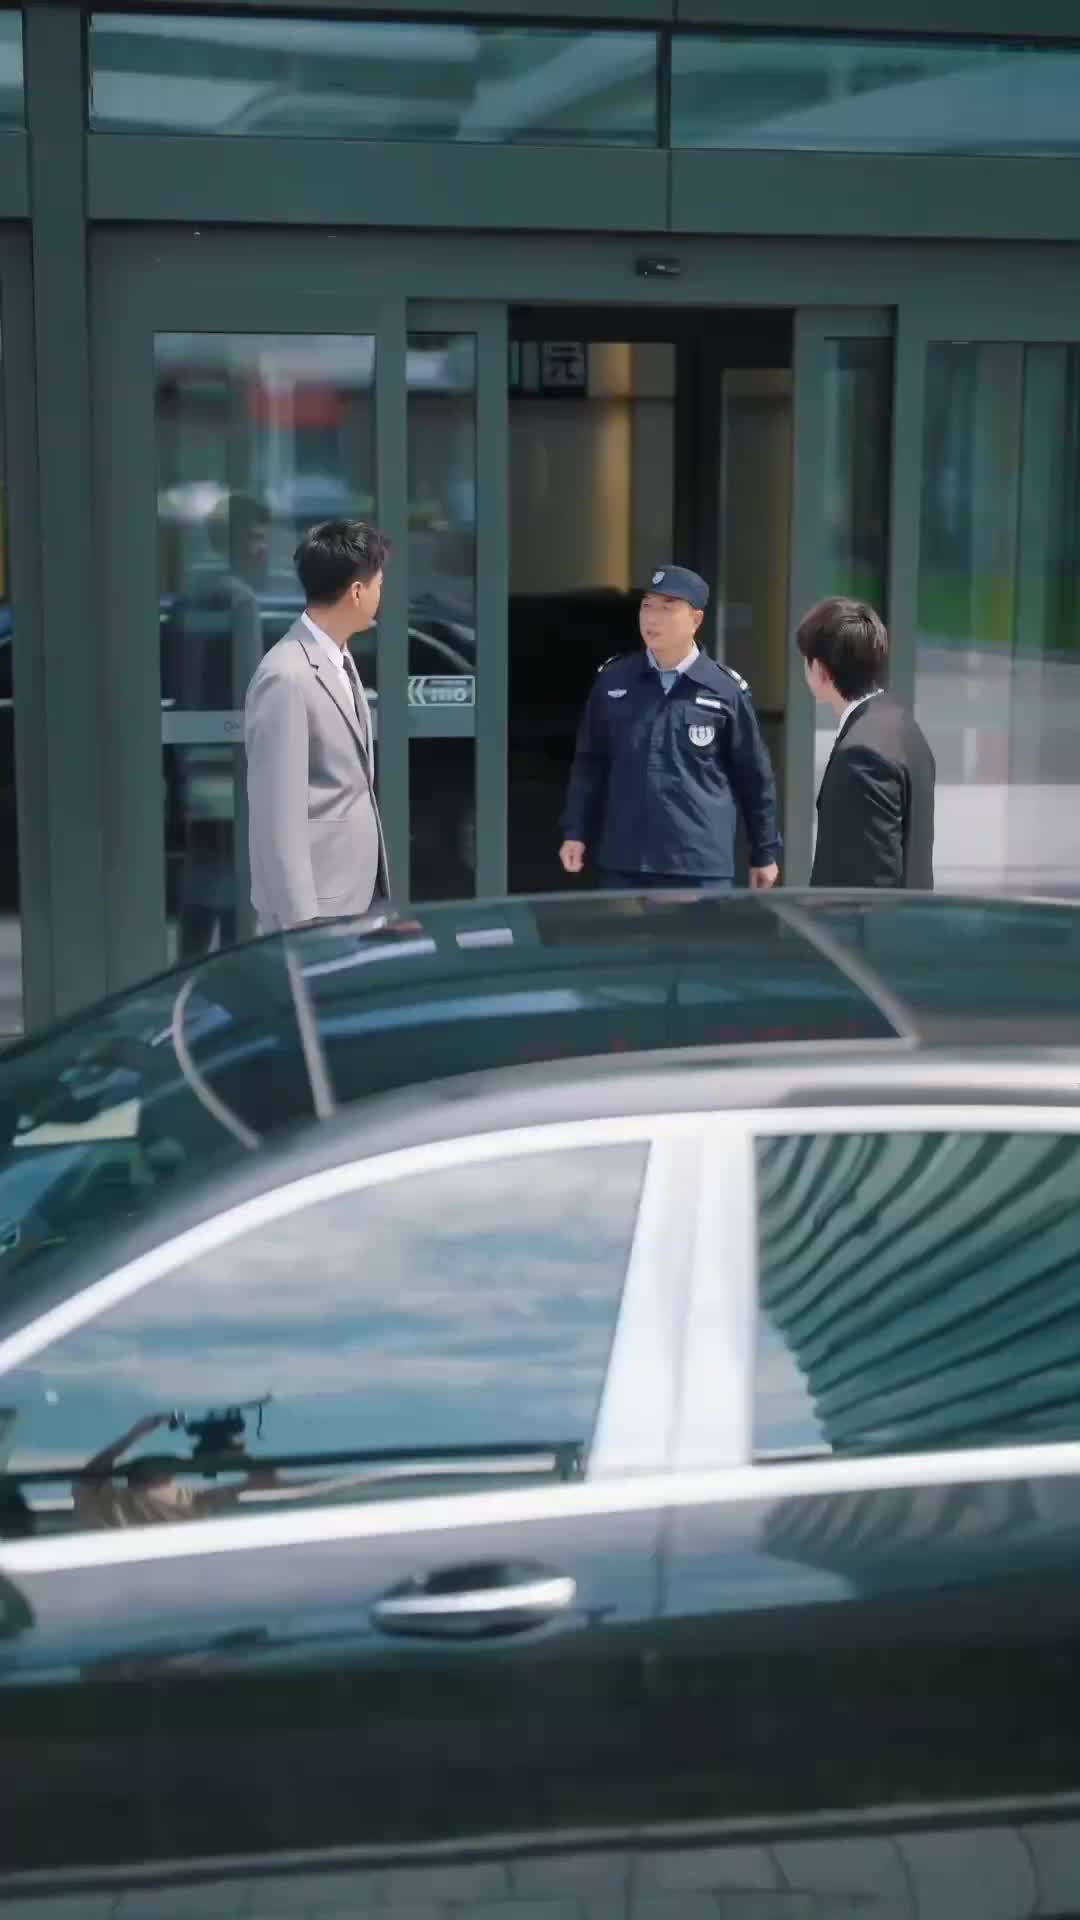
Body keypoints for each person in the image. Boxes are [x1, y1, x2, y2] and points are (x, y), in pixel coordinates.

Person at [559, 566, 780, 891]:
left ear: (695, 620)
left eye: (667, 608)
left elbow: (754, 777)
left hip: (698, 865)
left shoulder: (724, 690)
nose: (652, 618)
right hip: (626, 862)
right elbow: (589, 763)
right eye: (647, 606)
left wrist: (764, 851)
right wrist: (575, 831)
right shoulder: (615, 681)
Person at [244, 520, 390, 932]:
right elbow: (277, 816)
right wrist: (301, 925)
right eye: (379, 585)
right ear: (357, 592)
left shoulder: (339, 659)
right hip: (315, 915)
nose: (380, 597)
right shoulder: (286, 676)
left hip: (354, 898)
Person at [798, 596, 935, 889]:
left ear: (820, 669)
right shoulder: (904, 726)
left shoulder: (860, 754)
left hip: (868, 919)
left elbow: (872, 883)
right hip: (911, 912)